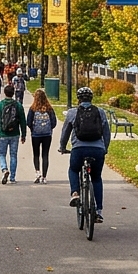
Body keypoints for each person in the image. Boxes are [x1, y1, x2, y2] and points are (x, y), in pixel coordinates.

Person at [59, 87, 111, 220]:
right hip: (97, 150)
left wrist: (62, 147)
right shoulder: (100, 112)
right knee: (96, 178)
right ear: (91, 99)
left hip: (78, 149)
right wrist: (104, 148)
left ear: (78, 99)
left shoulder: (72, 113)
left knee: (73, 170)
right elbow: (106, 133)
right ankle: (98, 211)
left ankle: (75, 193)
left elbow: (65, 132)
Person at [0, 84, 25, 184]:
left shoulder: (0, 105)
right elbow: (23, 121)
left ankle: (4, 169)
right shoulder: (18, 105)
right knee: (13, 155)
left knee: (1, 153)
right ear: (13, 93)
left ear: (4, 93)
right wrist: (23, 134)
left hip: (3, 134)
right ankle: (13, 177)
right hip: (15, 134)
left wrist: (0, 125)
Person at [26, 89, 58, 184]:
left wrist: (33, 128)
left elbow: (28, 121)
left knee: (36, 154)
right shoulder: (49, 108)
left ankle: (37, 172)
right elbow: (54, 122)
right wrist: (49, 129)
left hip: (36, 134)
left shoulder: (33, 108)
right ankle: (44, 176)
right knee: (45, 154)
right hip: (47, 134)